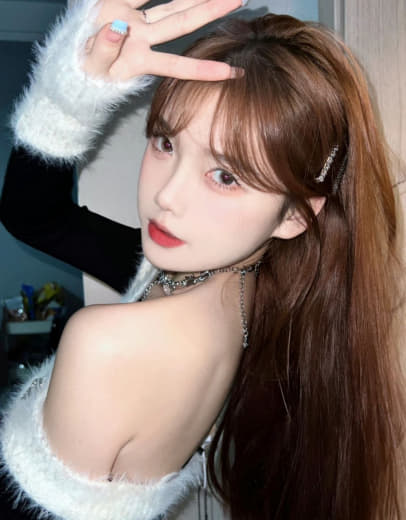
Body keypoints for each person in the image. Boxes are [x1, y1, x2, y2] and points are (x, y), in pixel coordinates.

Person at [0, 0, 405, 519]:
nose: (166, 195)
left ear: (294, 216)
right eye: (166, 142)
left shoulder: (106, 343)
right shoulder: (253, 294)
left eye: (225, 176)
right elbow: (36, 217)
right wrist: (71, 95)